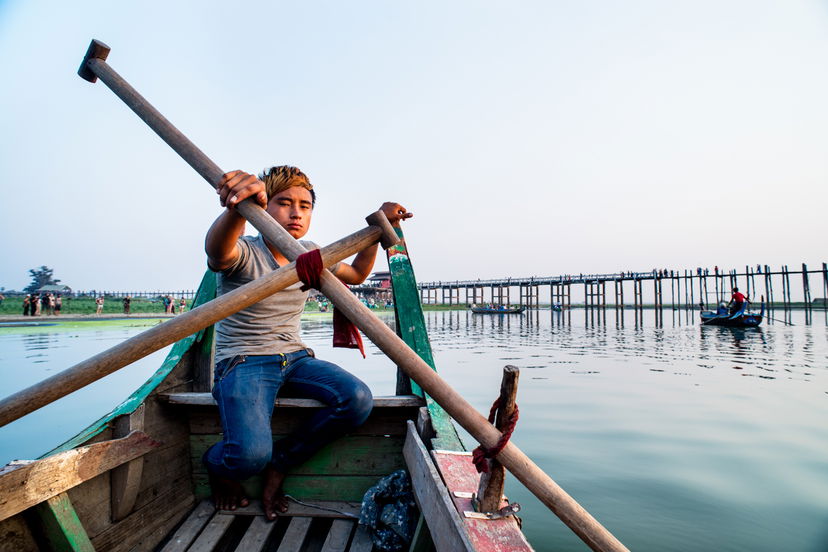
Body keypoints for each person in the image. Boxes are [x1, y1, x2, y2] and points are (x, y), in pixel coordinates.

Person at [202, 166, 411, 520]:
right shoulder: (245, 251)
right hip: (243, 361)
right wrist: (237, 207)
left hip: (295, 359)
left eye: (305, 205)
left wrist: (378, 231)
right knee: (247, 457)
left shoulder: (310, 253)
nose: (296, 212)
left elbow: (358, 275)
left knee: (357, 399)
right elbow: (217, 252)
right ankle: (218, 467)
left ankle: (280, 465)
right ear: (263, 208)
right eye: (284, 203)